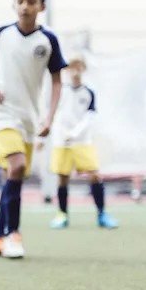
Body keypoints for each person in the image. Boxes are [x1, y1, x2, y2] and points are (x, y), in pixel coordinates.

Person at [0, 0, 66, 259]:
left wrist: (49, 118)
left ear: (42, 6)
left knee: (12, 176)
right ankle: (13, 234)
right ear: (14, 4)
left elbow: (56, 82)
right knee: (17, 165)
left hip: (28, 118)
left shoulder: (47, 41)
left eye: (31, 2)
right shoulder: (2, 34)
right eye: (20, 1)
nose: (25, 7)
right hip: (3, 113)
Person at [44, 55, 118, 229]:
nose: (75, 72)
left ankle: (102, 214)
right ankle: (62, 214)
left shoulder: (88, 93)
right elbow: (55, 114)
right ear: (67, 71)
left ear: (83, 70)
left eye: (79, 68)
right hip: (62, 142)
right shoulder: (61, 91)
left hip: (82, 141)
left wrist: (75, 133)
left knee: (95, 174)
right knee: (62, 178)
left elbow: (89, 117)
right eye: (72, 68)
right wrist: (51, 135)